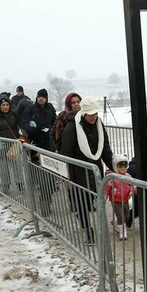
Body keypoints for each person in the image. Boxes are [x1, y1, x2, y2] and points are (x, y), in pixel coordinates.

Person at [60, 98, 114, 245]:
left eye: (96, 113)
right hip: (78, 173)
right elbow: (66, 154)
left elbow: (105, 149)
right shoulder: (72, 128)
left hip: (95, 170)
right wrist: (67, 178)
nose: (93, 116)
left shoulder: (98, 124)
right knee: (81, 204)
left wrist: (115, 168)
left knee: (93, 201)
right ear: (84, 113)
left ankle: (99, 229)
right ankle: (88, 230)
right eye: (90, 114)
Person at [104, 154, 136, 241]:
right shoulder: (112, 177)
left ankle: (117, 225)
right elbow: (107, 188)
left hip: (125, 200)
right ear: (115, 166)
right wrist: (104, 197)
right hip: (116, 201)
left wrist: (135, 189)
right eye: (120, 166)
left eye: (125, 165)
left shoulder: (127, 176)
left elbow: (133, 184)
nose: (123, 168)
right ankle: (122, 231)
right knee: (121, 216)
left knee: (127, 216)